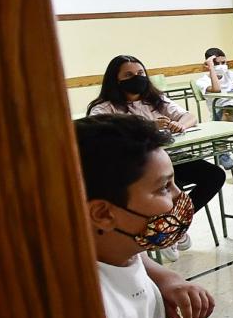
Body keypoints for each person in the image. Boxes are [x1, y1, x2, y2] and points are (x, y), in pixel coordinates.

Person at [76, 114, 215, 318]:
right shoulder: (74, 302)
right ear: (102, 213)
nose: (180, 196)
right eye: (164, 188)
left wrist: (165, 276)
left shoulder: (117, 247)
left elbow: (132, 258)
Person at [88, 55, 225, 256]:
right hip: (138, 168)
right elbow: (104, 137)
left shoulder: (156, 100)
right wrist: (148, 127)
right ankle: (166, 229)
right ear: (116, 80)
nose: (137, 77)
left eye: (141, 73)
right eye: (129, 75)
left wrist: (180, 125)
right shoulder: (104, 107)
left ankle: (170, 227)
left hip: (172, 160)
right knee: (160, 190)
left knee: (214, 175)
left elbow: (189, 116)